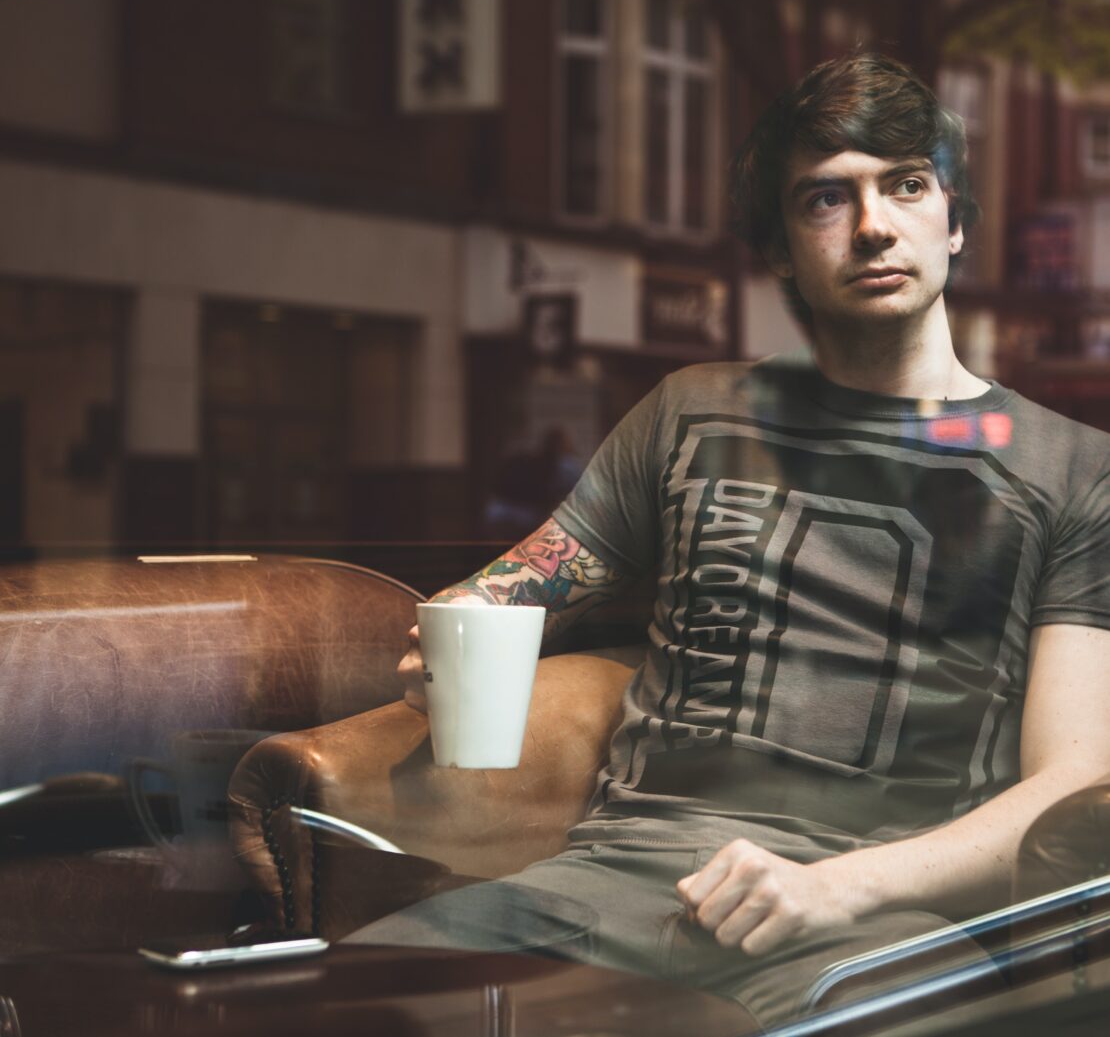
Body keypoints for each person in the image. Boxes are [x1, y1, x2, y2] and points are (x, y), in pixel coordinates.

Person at [351, 53, 1110, 1026]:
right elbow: (523, 581)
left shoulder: (1074, 470)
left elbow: (1075, 784)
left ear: (953, 220)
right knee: (339, 1001)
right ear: (784, 250)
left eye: (907, 185)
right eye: (827, 197)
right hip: (602, 887)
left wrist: (839, 887)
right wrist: (459, 623)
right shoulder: (691, 410)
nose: (874, 225)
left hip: (873, 922)